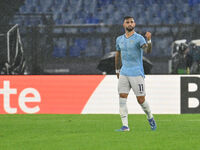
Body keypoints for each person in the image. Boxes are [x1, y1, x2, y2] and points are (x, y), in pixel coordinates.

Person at [115, 16, 157, 132]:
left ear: (134, 24)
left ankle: (150, 117)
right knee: (122, 97)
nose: (130, 24)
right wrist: (117, 70)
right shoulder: (119, 39)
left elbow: (147, 51)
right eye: (127, 22)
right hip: (124, 72)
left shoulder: (139, 38)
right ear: (123, 24)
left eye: (132, 22)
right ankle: (125, 126)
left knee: (141, 100)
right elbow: (118, 54)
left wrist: (149, 40)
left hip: (136, 73)